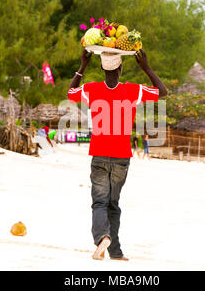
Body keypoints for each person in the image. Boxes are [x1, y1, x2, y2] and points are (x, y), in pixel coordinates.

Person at [67, 49, 168, 261]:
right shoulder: (133, 90)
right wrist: (146, 68)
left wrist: (83, 65)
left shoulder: (91, 89)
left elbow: (71, 93)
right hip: (122, 157)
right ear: (120, 69)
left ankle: (103, 237)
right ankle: (115, 251)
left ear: (103, 69)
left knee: (99, 202)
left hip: (100, 155)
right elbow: (162, 91)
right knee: (113, 203)